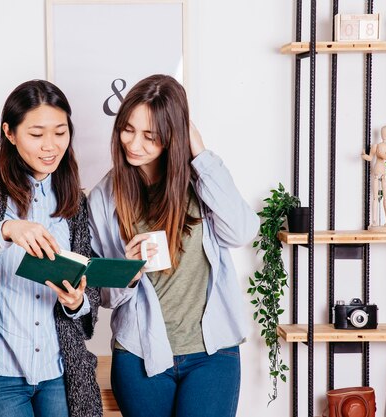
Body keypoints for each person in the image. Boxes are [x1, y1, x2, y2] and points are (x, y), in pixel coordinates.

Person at [88, 74, 260, 417]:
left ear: (172, 137)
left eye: (150, 136)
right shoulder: (104, 196)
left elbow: (241, 232)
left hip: (212, 354)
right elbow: (102, 295)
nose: (134, 143)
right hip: (139, 353)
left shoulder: (200, 182)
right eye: (128, 129)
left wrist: (200, 152)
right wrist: (127, 272)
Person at [0, 80, 102, 417]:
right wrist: (5, 230)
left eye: (60, 132)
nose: (50, 146)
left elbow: (89, 283)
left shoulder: (75, 201)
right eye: (36, 135)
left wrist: (77, 301)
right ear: (10, 133)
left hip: (61, 372)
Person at [361, 125, 386, 230]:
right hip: (377, 171)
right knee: (375, 197)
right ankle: (374, 221)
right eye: (384, 133)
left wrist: (382, 153)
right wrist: (363, 155)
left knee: (385, 197)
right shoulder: (376, 146)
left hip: (383, 173)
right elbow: (370, 158)